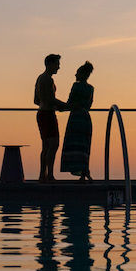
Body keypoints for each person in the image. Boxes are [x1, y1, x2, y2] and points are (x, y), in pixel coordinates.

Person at [33, 53, 69, 183]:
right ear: (50, 64)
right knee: (53, 145)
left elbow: (36, 100)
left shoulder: (39, 78)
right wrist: (66, 105)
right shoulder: (47, 79)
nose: (58, 67)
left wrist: (53, 106)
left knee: (46, 146)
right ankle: (49, 175)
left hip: (43, 113)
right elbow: (50, 99)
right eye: (57, 64)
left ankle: (43, 174)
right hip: (47, 115)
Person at [59, 62, 95, 181]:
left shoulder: (76, 86)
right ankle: (85, 172)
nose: (75, 74)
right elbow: (89, 105)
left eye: (77, 72)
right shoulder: (91, 88)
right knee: (83, 146)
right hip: (85, 117)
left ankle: (80, 172)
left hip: (75, 118)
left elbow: (70, 103)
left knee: (73, 145)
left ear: (82, 74)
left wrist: (59, 107)